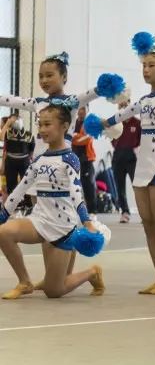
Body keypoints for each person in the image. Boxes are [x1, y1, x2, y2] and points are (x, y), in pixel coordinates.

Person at [89, 33, 155, 295]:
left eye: (152, 65)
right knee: (149, 225)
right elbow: (117, 117)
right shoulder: (142, 101)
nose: (146, 70)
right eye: (144, 65)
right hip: (142, 168)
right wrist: (99, 124)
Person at [0, 104, 104, 300]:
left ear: (64, 126)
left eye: (48, 124)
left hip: (62, 227)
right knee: (4, 233)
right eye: (40, 124)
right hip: (39, 221)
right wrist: (3, 215)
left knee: (53, 291)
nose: (42, 129)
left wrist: (87, 221)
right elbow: (20, 188)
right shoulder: (39, 159)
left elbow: (76, 192)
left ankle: (92, 273)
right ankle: (25, 282)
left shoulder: (70, 159)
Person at [0, 52, 125, 158]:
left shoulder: (73, 101)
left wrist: (106, 87)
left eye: (49, 75)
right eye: (41, 76)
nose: (44, 80)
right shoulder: (38, 102)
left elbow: (95, 91)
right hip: (38, 161)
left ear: (64, 77)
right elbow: (12, 100)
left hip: (62, 161)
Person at [110, 109, 140, 223]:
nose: (123, 106)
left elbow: (142, 140)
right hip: (118, 158)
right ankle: (125, 212)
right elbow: (111, 138)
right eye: (120, 104)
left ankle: (143, 213)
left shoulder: (137, 123)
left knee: (137, 187)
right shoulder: (116, 123)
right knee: (120, 187)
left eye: (125, 103)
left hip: (132, 159)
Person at [1, 112, 32, 213]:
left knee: (26, 183)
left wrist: (30, 161)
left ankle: (27, 205)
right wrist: (8, 123)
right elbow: (1, 137)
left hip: (24, 161)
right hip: (11, 161)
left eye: (18, 119)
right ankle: (13, 206)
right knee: (11, 184)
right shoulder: (9, 133)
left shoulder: (28, 134)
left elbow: (31, 151)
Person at [71, 107, 98, 215]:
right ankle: (75, 210)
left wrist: (76, 137)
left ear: (86, 110)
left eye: (83, 109)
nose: (81, 111)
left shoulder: (90, 123)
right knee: (73, 185)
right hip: (73, 158)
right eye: (80, 109)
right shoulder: (72, 122)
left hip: (86, 159)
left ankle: (92, 211)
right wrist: (76, 137)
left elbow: (87, 139)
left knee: (88, 186)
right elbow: (68, 137)